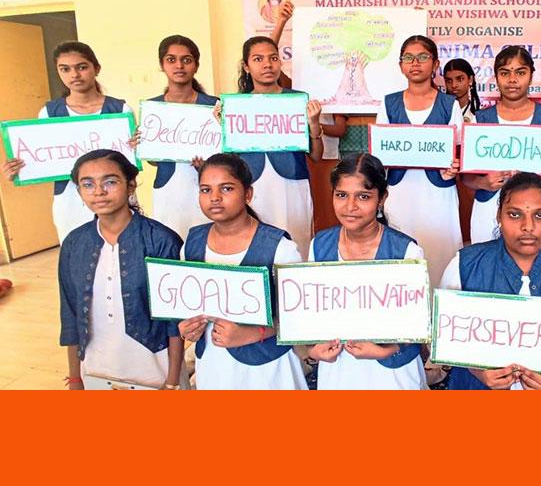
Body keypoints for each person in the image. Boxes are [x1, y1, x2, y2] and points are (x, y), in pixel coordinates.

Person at [439, 172, 541, 390]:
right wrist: (476, 370)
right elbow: (444, 335)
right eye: (515, 215)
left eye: (540, 215)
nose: (528, 226)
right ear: (499, 216)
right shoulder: (465, 264)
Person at [177, 153, 307, 390]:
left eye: (226, 189)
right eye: (205, 190)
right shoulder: (193, 242)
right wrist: (189, 327)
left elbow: (302, 320)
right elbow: (191, 306)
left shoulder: (280, 247)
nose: (214, 198)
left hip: (267, 371)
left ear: (248, 194)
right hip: (214, 367)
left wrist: (252, 333)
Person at [59, 150, 185, 390]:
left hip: (153, 366)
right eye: (88, 184)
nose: (98, 191)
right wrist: (75, 377)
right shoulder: (74, 243)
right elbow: (70, 312)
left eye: (110, 182)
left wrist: (172, 382)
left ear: (130, 186)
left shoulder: (161, 240)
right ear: (79, 192)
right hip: (96, 365)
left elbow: (174, 320)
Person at [306, 153, 427, 389]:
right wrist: (314, 348)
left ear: (382, 198)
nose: (350, 207)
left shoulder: (406, 252)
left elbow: (418, 328)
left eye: (363, 196)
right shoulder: (319, 245)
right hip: (339, 365)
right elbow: (313, 311)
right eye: (341, 195)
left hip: (392, 372)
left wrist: (386, 351)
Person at [2, 42, 135, 243]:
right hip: (69, 199)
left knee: (124, 248)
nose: (74, 75)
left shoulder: (120, 110)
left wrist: (138, 147)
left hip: (115, 196)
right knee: (77, 254)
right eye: (65, 69)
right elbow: (39, 157)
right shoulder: (49, 113)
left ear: (96, 68)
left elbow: (132, 162)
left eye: (81, 67)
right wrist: (18, 170)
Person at [376, 35, 462, 287]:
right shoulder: (389, 102)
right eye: (408, 58)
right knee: (401, 251)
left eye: (423, 57)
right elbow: (381, 153)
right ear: (401, 65)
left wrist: (453, 169)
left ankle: (440, 310)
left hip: (438, 193)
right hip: (399, 191)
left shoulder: (449, 104)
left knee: (440, 252)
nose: (415, 63)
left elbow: (457, 152)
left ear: (435, 64)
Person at [462, 46, 541, 245]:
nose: (512, 80)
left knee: (537, 270)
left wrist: (536, 181)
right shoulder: (480, 120)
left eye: (520, 72)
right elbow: (466, 176)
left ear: (531, 75)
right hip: (489, 211)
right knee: (490, 270)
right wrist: (484, 183)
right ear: (496, 77)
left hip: (535, 212)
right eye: (504, 73)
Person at [234, 36, 323, 259]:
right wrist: (221, 126)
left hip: (292, 183)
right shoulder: (235, 106)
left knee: (295, 244)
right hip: (252, 184)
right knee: (255, 246)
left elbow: (316, 155)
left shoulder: (298, 100)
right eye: (258, 59)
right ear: (246, 66)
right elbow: (229, 157)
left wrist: (314, 125)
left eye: (273, 58)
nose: (267, 64)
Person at [148, 35, 219, 241]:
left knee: (206, 243)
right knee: (170, 243)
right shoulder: (154, 108)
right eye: (171, 60)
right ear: (162, 65)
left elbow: (227, 153)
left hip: (207, 187)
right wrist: (142, 145)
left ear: (196, 65)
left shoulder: (214, 105)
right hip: (168, 189)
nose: (179, 65)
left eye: (186, 60)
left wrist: (208, 165)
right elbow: (154, 160)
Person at [443, 58, 480, 123]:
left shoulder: (480, 114)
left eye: (460, 79)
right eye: (449, 81)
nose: (454, 85)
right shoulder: (440, 111)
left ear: (470, 79)